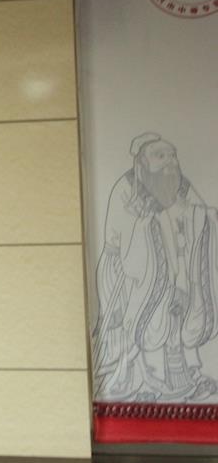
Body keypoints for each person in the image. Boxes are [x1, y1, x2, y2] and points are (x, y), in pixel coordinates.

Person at [92, 132, 218, 402]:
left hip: (176, 268)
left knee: (176, 316)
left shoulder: (180, 185)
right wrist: (157, 224)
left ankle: (183, 375)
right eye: (160, 156)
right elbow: (125, 239)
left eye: (172, 155)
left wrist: (203, 217)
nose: (169, 161)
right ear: (142, 162)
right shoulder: (127, 188)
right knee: (134, 324)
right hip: (131, 273)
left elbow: (198, 213)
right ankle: (138, 384)